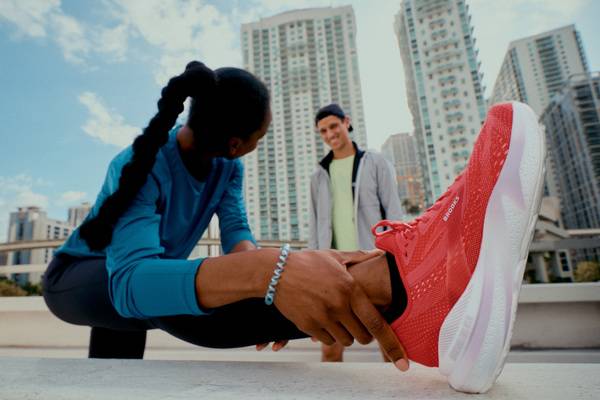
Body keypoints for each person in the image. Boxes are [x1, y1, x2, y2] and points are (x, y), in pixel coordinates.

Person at [42, 60, 545, 394]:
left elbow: (238, 237)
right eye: (263, 135)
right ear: (238, 141)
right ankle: (397, 284)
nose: (261, 142)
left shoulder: (226, 167)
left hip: (147, 278)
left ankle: (425, 316)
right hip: (81, 277)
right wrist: (267, 271)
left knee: (245, 290)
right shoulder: (142, 161)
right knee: (161, 292)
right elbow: (130, 285)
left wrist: (272, 289)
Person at [308, 104, 403, 362]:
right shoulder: (318, 176)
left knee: (389, 336)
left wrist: (396, 257)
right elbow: (315, 224)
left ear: (346, 122)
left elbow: (393, 210)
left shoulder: (375, 162)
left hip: (373, 262)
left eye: (334, 126)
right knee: (330, 343)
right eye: (323, 131)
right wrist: (312, 264)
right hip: (334, 266)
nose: (330, 134)